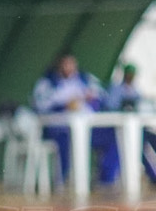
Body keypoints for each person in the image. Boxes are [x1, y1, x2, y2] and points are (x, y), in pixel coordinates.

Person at [31, 53, 120, 185]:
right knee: (65, 142)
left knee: (114, 136)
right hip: (59, 129)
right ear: (59, 65)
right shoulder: (47, 82)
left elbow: (102, 96)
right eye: (66, 64)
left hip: (86, 127)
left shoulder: (85, 79)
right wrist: (63, 105)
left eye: (72, 64)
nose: (70, 67)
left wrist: (92, 98)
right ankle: (64, 181)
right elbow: (39, 105)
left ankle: (105, 179)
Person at [106, 63, 156, 185]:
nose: (131, 77)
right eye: (129, 74)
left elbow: (143, 106)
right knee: (138, 146)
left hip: (139, 128)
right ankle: (154, 177)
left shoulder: (136, 90)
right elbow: (110, 107)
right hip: (121, 130)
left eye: (133, 74)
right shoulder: (116, 89)